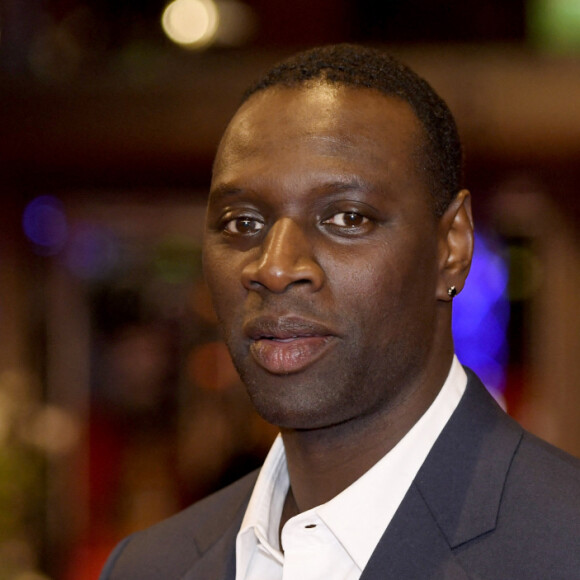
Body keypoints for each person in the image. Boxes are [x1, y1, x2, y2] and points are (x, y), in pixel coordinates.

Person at [100, 44, 580, 580]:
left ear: (452, 247)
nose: (276, 267)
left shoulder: (563, 545)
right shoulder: (147, 567)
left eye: (347, 218)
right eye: (242, 222)